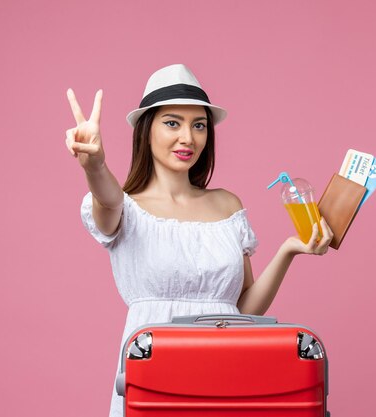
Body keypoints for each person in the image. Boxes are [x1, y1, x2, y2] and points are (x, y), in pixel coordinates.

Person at [64, 64, 334, 417]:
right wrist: (95, 166)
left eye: (199, 125)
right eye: (172, 123)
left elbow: (241, 311)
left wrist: (288, 251)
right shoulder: (125, 208)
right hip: (155, 377)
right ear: (146, 131)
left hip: (230, 375)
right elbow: (109, 200)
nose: (188, 138)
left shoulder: (227, 205)